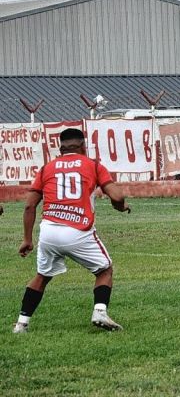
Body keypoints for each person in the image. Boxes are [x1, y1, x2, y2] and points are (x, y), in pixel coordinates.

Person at [13, 128, 131, 334]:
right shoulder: (93, 165)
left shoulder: (47, 168)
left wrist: (26, 239)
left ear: (61, 149)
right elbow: (117, 197)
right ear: (84, 147)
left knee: (42, 276)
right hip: (77, 231)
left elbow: (29, 206)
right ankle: (100, 311)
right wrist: (120, 207)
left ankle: (21, 324)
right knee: (105, 270)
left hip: (49, 231)